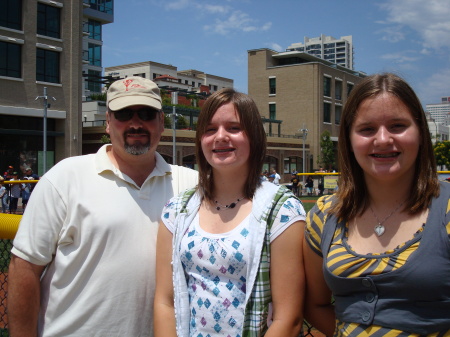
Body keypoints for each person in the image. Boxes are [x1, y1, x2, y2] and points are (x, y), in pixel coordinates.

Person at [8, 76, 199, 336]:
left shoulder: (192, 184)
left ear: (161, 123)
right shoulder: (65, 177)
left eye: (146, 113)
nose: (135, 123)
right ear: (108, 122)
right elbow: (25, 269)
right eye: (123, 114)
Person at [303, 73, 450, 336]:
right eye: (367, 129)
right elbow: (314, 304)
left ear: (420, 132)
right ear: (349, 139)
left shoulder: (446, 209)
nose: (382, 139)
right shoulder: (324, 216)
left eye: (397, 126)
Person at [154, 88, 306, 337]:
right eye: (210, 129)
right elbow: (164, 302)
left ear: (254, 137)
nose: (220, 137)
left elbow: (287, 318)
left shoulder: (282, 212)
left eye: (234, 128)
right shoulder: (176, 211)